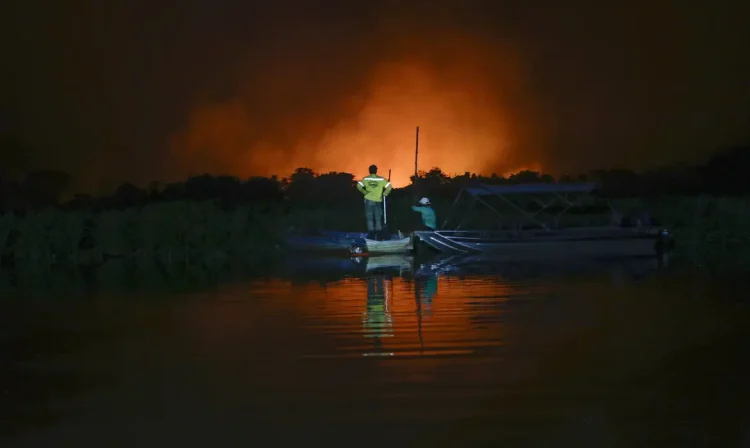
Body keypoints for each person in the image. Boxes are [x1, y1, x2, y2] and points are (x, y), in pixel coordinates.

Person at [356, 165, 392, 239]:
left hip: (368, 201)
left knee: (370, 218)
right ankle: (378, 234)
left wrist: (365, 192)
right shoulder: (381, 179)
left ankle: (371, 234)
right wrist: (385, 193)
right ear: (376, 171)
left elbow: (358, 186)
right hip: (378, 201)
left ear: (369, 171)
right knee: (378, 217)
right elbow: (389, 186)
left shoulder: (366, 179)